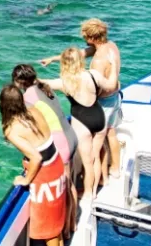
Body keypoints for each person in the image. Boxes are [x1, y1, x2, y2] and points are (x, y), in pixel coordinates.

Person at [40, 19, 122, 181]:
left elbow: (97, 88)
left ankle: (95, 179)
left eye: (85, 36)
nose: (84, 39)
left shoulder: (98, 61)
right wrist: (54, 58)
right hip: (115, 98)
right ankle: (115, 168)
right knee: (111, 133)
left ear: (91, 38)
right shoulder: (110, 46)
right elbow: (80, 54)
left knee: (95, 147)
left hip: (104, 103)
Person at [0, 85, 67, 246]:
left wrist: (25, 179)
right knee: (56, 209)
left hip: (44, 171)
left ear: (2, 105)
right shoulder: (33, 110)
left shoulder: (12, 130)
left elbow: (35, 157)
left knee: (47, 215)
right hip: (56, 161)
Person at [40, 48, 118, 202]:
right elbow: (111, 84)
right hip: (99, 117)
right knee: (96, 156)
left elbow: (41, 83)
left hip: (81, 123)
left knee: (87, 162)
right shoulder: (93, 75)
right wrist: (114, 65)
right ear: (80, 60)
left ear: (64, 63)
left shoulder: (64, 82)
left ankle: (88, 193)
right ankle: (95, 190)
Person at [12, 64, 79, 237]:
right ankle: (72, 224)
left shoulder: (28, 97)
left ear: (20, 81)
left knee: (63, 188)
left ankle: (66, 230)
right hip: (70, 135)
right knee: (69, 183)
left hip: (61, 143)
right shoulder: (44, 87)